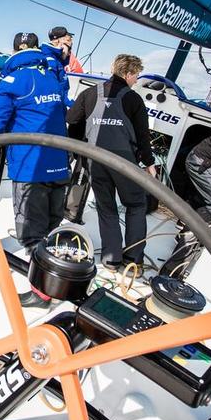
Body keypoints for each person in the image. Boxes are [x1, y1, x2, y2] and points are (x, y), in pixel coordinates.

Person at [0, 32, 70, 308]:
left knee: (32, 236)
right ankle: (58, 282)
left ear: (15, 51)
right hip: (59, 165)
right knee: (51, 228)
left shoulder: (13, 81)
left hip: (30, 168)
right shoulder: (54, 77)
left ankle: (42, 293)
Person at [67, 54, 157, 272]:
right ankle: (133, 260)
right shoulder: (133, 99)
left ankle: (111, 259)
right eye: (135, 75)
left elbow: (72, 120)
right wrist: (149, 163)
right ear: (127, 74)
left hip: (95, 160)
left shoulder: (89, 94)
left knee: (106, 208)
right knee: (135, 205)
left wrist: (80, 148)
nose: (136, 80)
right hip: (123, 162)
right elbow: (143, 136)